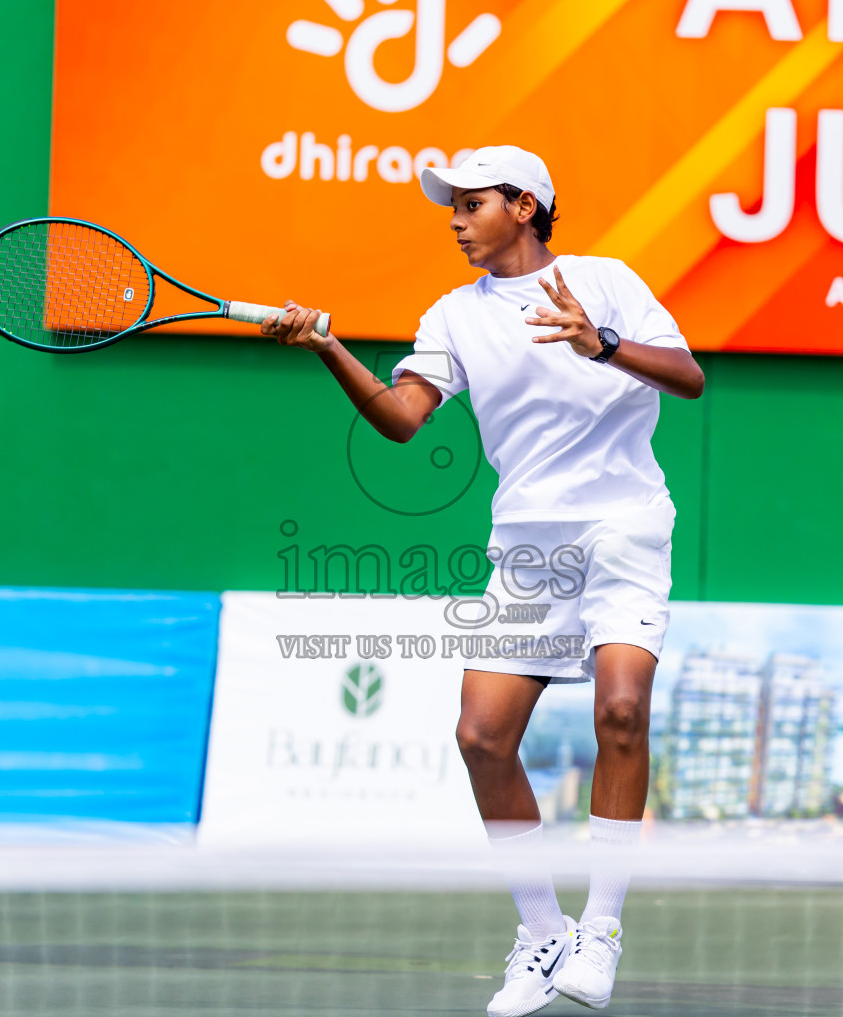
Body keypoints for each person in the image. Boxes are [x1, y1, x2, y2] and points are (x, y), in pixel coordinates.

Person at [263, 145, 704, 1015]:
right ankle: (541, 934)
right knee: (481, 737)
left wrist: (602, 342)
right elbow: (401, 420)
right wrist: (326, 345)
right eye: (452, 207)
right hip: (529, 545)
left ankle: (601, 931)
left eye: (472, 204)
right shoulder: (454, 315)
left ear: (526, 204)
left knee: (620, 708)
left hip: (623, 526)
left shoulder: (606, 281)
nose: (457, 220)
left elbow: (689, 378)